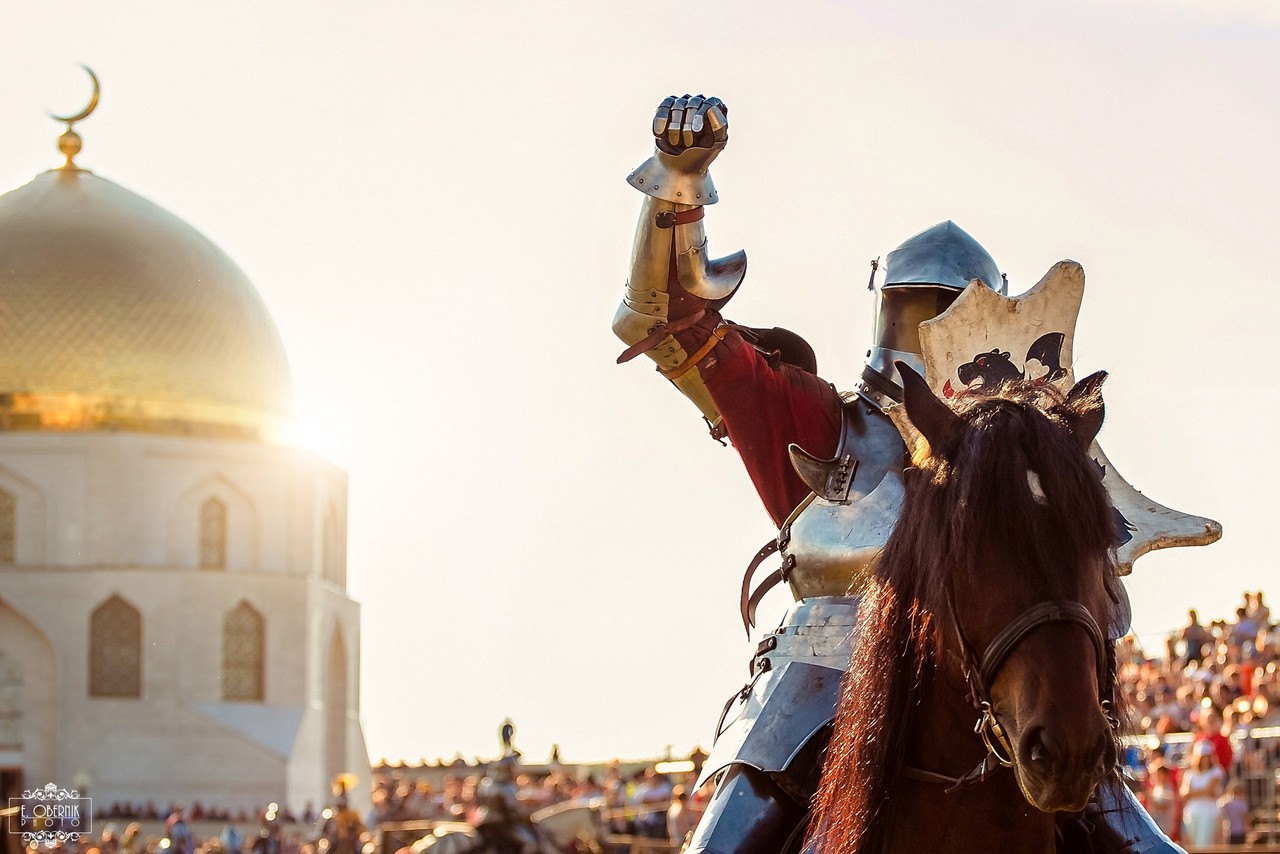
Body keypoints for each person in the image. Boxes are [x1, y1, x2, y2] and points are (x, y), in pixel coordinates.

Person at [613, 93, 1206, 853]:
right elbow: (668, 323)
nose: (932, 326)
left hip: (1006, 686)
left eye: (952, 309)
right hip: (818, 681)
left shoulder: (1031, 453)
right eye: (920, 306)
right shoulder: (824, 426)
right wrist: (677, 182)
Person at [1180, 741, 1225, 846]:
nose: (1204, 759)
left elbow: (1210, 791)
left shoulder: (1216, 771)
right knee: (1193, 843)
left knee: (1203, 844)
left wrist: (1192, 793)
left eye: (1207, 756)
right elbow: (1184, 794)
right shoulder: (1190, 773)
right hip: (1192, 812)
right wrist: (1203, 791)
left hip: (1208, 812)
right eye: (1202, 756)